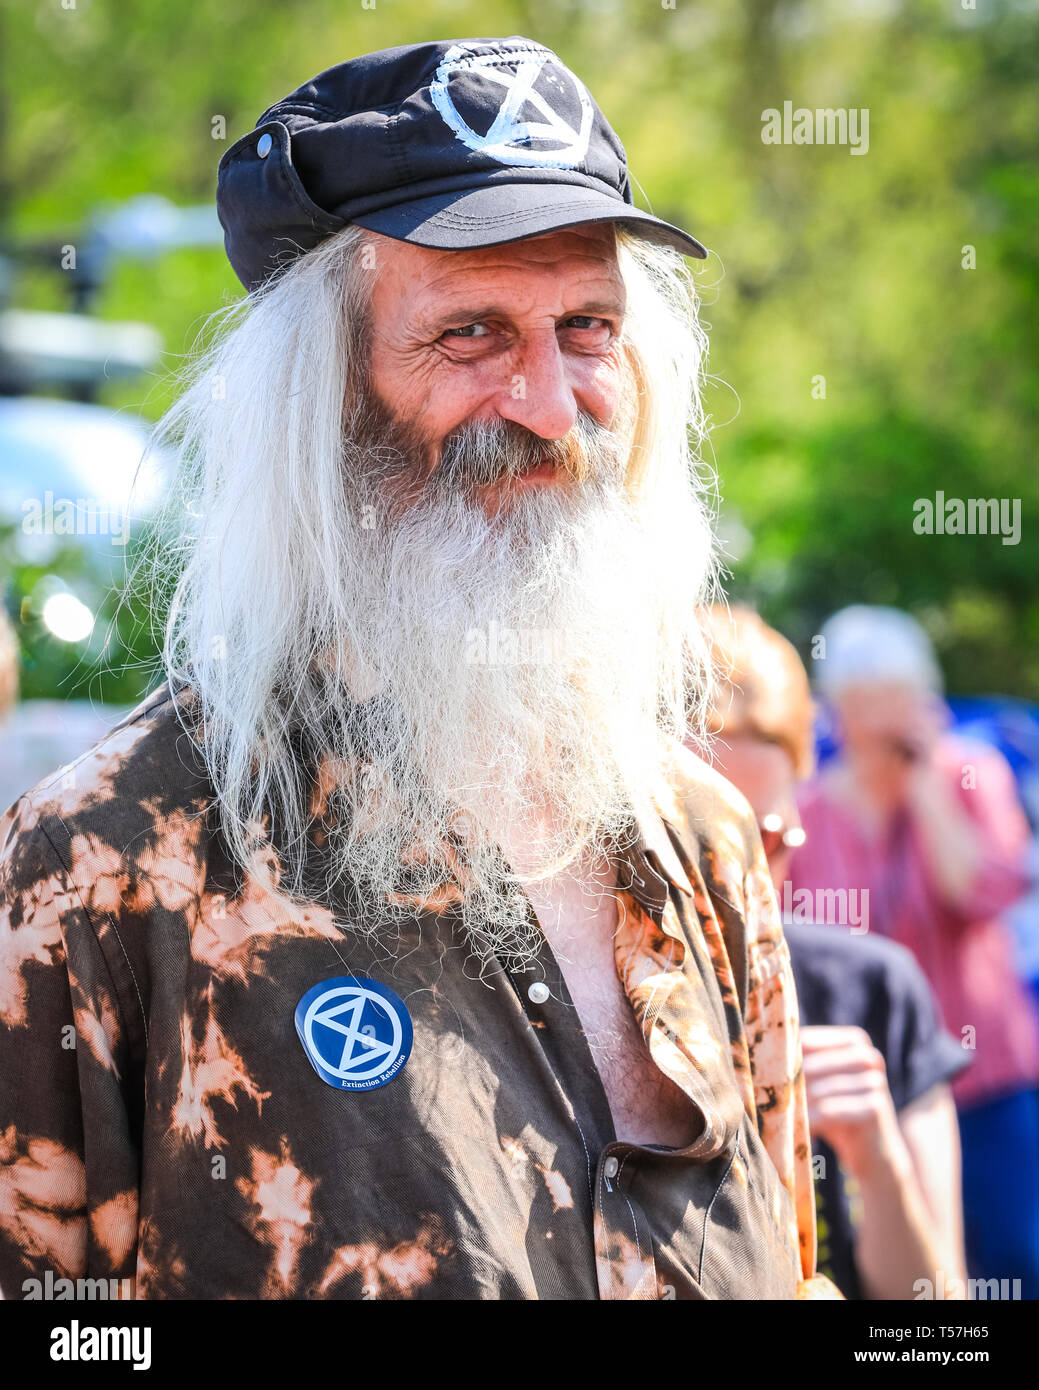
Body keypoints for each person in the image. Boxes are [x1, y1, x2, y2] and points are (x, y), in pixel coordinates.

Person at [0, 39, 838, 1300]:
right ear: (321, 399)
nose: (552, 404)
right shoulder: (105, 867)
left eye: (587, 328)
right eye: (471, 335)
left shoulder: (706, 842)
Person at [702, 605, 969, 1299]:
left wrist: (874, 1158)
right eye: (697, 845)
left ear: (797, 820)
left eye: (763, 843)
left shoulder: (867, 990)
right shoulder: (583, 1006)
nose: (733, 884)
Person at [789, 604, 1039, 1297]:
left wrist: (926, 784)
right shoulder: (810, 812)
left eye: (895, 698)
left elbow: (979, 889)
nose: (881, 719)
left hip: (987, 1072)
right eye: (864, 702)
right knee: (921, 1272)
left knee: (1018, 1256)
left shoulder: (971, 777)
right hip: (876, 1083)